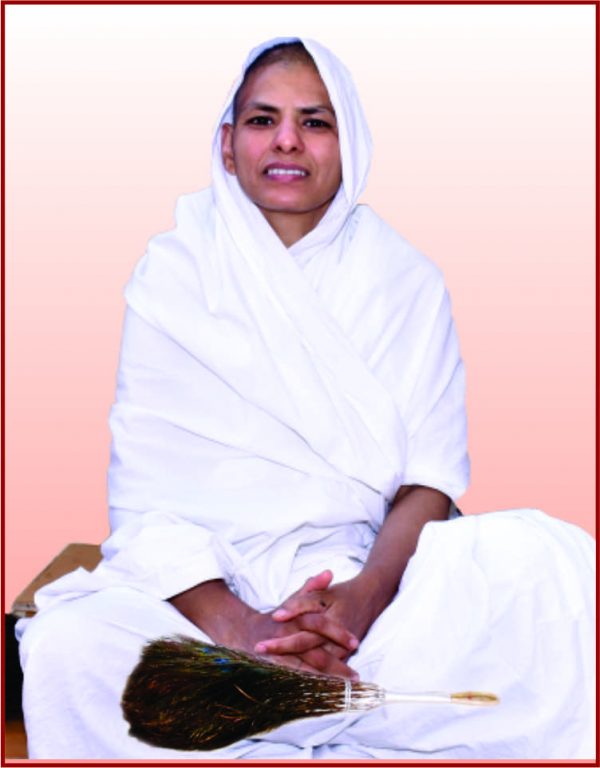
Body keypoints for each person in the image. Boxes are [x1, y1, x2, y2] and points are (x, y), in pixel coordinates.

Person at [17, 37, 594, 759]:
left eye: (315, 122)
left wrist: (356, 606)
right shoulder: (173, 275)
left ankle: (304, 708)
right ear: (228, 145)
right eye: (263, 120)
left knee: (547, 566)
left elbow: (430, 481)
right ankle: (327, 711)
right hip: (205, 595)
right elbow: (144, 499)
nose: (287, 140)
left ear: (351, 145)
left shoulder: (405, 280)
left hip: (371, 587)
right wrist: (242, 630)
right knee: (72, 645)